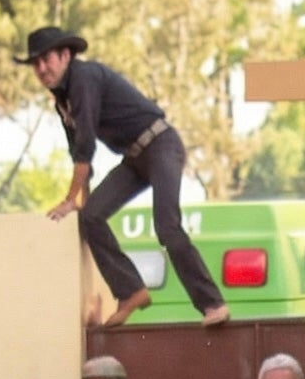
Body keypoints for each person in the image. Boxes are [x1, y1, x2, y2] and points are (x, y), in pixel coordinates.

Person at [26, 25, 229, 331]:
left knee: (167, 226)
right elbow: (78, 154)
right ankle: (131, 291)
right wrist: (82, 202)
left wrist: (69, 200)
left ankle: (212, 303)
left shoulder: (84, 78)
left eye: (47, 60)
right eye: (36, 64)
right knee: (91, 216)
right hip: (134, 159)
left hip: (161, 144)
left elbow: (86, 147)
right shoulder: (62, 99)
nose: (42, 69)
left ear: (65, 55)